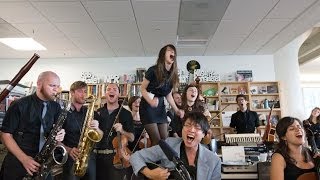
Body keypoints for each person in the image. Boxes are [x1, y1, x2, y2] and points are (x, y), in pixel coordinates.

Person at [0, 71, 66, 180]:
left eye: (58, 86)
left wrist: (61, 134)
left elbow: (55, 131)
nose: (56, 90)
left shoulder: (56, 107)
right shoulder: (19, 105)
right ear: (39, 84)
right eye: (52, 86)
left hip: (43, 165)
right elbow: (5, 134)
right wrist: (24, 159)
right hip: (19, 163)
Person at [130, 111, 221, 180]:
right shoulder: (169, 145)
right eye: (188, 125)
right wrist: (150, 173)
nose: (191, 130)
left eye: (197, 127)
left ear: (203, 135)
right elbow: (136, 156)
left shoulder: (214, 160)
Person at [140, 44, 184, 146]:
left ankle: (163, 162)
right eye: (169, 51)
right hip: (147, 106)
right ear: (163, 54)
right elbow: (142, 88)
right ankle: (155, 162)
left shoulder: (172, 74)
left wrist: (176, 110)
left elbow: (168, 94)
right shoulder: (153, 70)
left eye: (174, 52)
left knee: (165, 140)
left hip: (160, 107)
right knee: (156, 141)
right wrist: (150, 101)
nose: (172, 53)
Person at [61, 81, 103, 180]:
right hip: (71, 158)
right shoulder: (63, 113)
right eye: (80, 91)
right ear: (72, 93)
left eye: (85, 91)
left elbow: (100, 135)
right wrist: (69, 150)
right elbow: (55, 139)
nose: (83, 94)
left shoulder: (92, 112)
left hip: (89, 157)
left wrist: (97, 129)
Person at [94, 83, 135, 180]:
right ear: (105, 93)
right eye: (108, 89)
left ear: (119, 94)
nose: (111, 91)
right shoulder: (97, 112)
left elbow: (132, 138)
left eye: (114, 89)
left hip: (116, 159)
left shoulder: (126, 114)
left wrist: (122, 130)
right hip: (97, 158)